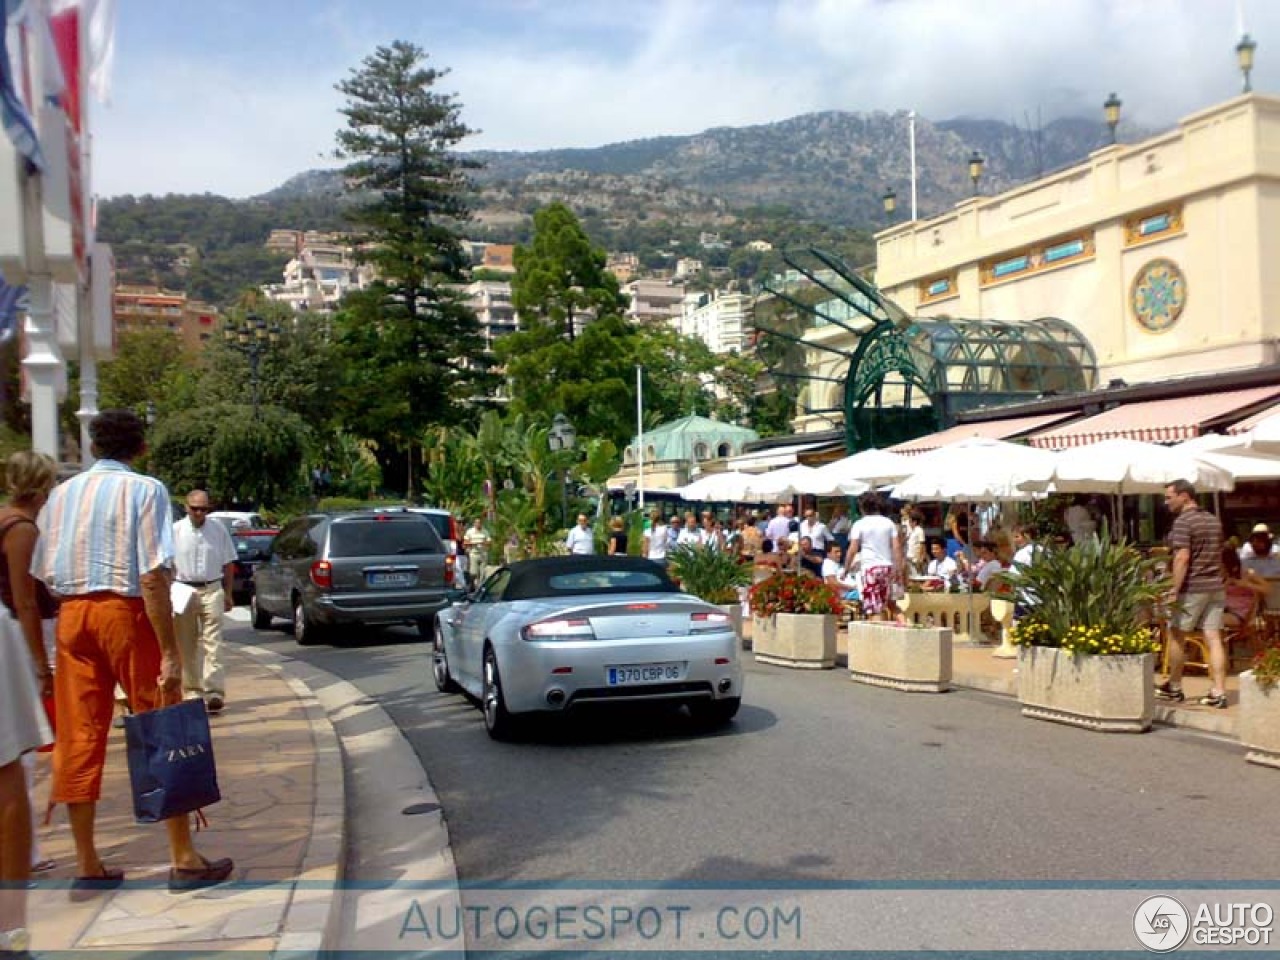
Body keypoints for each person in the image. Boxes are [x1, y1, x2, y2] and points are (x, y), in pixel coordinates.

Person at [32, 410, 234, 897]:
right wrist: (168, 650)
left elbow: (44, 573)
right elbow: (151, 574)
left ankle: (88, 862)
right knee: (159, 724)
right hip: (125, 613)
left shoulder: (61, 494)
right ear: (140, 447)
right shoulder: (145, 490)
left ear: (93, 445)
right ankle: (183, 857)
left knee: (79, 735)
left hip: (72, 616)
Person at [0, 452, 57, 954]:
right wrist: (41, 663)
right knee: (15, 766)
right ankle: (12, 927)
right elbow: (24, 599)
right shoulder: (22, 528)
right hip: (11, 638)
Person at [1156, 480, 1228, 709]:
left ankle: (1175, 687)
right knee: (1214, 637)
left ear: (1184, 496)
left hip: (1193, 587)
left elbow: (1182, 557)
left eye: (1169, 497)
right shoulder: (1213, 520)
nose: (1166, 502)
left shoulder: (1183, 522)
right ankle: (1219, 691)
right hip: (1215, 586)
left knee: (1177, 635)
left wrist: (1174, 589)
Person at [172, 489, 236, 715]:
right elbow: (167, 565)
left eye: (204, 509)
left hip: (212, 588)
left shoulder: (218, 530)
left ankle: (214, 691)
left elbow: (228, 563)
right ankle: (192, 690)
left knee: (214, 642)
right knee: (187, 643)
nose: (199, 513)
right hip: (184, 589)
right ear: (186, 507)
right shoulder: (175, 531)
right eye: (194, 508)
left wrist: (228, 593)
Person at [847, 492, 903, 621]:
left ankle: (878, 639)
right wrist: (898, 568)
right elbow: (896, 547)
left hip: (870, 568)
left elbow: (853, 549)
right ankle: (905, 630)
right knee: (891, 605)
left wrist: (846, 567)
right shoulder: (888, 523)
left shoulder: (859, 524)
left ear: (862, 507)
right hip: (888, 567)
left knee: (874, 608)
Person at [1222, 546, 1267, 630]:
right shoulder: (1221, 577)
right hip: (1223, 609)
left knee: (1213, 621)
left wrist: (1247, 584)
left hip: (1240, 613)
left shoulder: (1247, 573)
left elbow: (1266, 589)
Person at [462, 518, 491, 585]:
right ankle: (472, 585)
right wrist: (473, 543)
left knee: (483, 573)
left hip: (483, 554)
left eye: (479, 523)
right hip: (473, 554)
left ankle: (480, 587)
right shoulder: (470, 531)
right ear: (474, 524)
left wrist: (483, 543)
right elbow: (465, 542)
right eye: (477, 523)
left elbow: (489, 542)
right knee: (473, 572)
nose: (478, 524)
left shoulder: (485, 531)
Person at [904, 508, 926, 575]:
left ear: (914, 522)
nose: (909, 523)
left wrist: (920, 558)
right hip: (909, 557)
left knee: (917, 574)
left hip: (915, 559)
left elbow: (922, 545)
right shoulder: (911, 531)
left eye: (910, 521)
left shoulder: (919, 530)